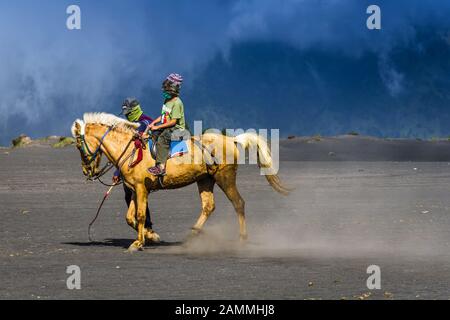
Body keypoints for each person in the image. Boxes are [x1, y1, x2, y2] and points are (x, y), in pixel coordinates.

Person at [113, 98, 154, 230]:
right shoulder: (129, 125)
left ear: (134, 110)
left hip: (143, 167)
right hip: (129, 169)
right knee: (128, 196)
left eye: (128, 111)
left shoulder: (145, 122)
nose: (126, 114)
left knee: (139, 196)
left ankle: (147, 226)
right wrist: (117, 172)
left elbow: (134, 150)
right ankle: (144, 226)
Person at [147, 73, 186, 176]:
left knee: (162, 140)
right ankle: (155, 159)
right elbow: (163, 115)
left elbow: (173, 122)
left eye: (167, 89)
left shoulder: (177, 103)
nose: (165, 92)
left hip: (176, 129)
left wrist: (158, 126)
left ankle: (161, 168)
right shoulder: (167, 100)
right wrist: (153, 123)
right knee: (153, 134)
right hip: (168, 125)